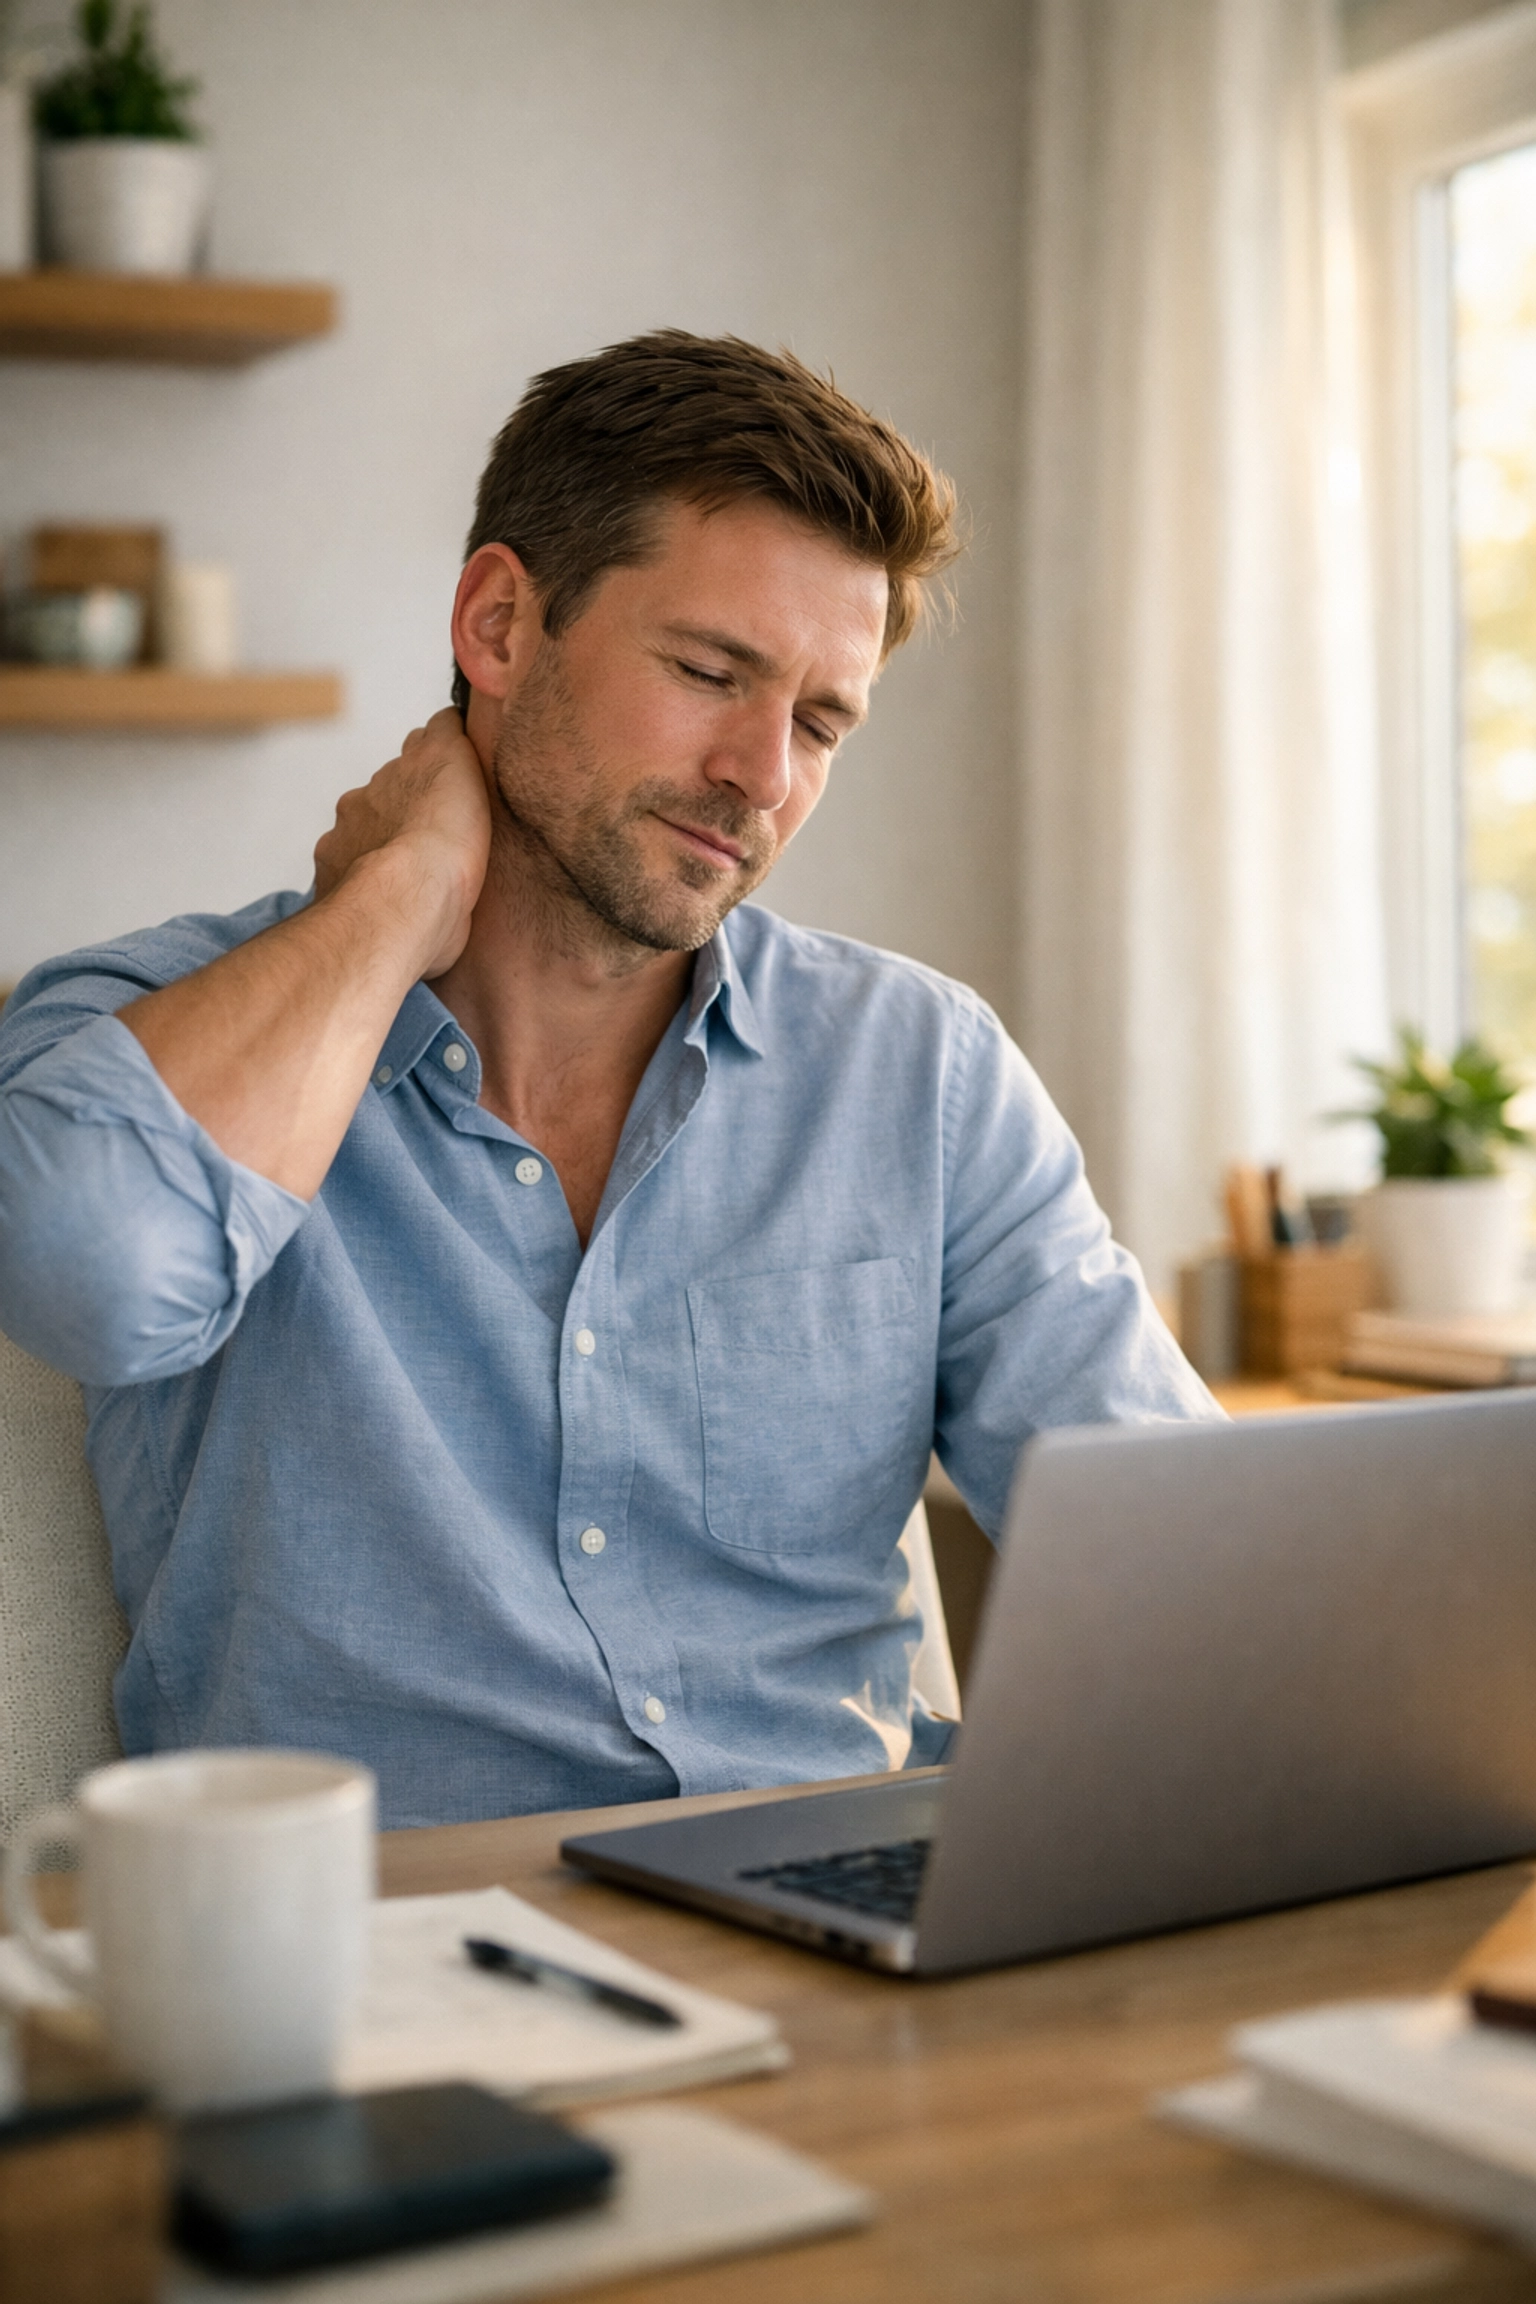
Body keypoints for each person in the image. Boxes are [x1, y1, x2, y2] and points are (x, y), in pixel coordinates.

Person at [0, 331, 1217, 1828]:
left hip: (838, 1931)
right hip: (387, 1966)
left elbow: (1183, 1561)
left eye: (821, 721)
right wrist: (398, 896)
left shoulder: (921, 1073)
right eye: (712, 672)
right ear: (499, 626)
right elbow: (84, 1270)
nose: (765, 774)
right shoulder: (146, 1022)